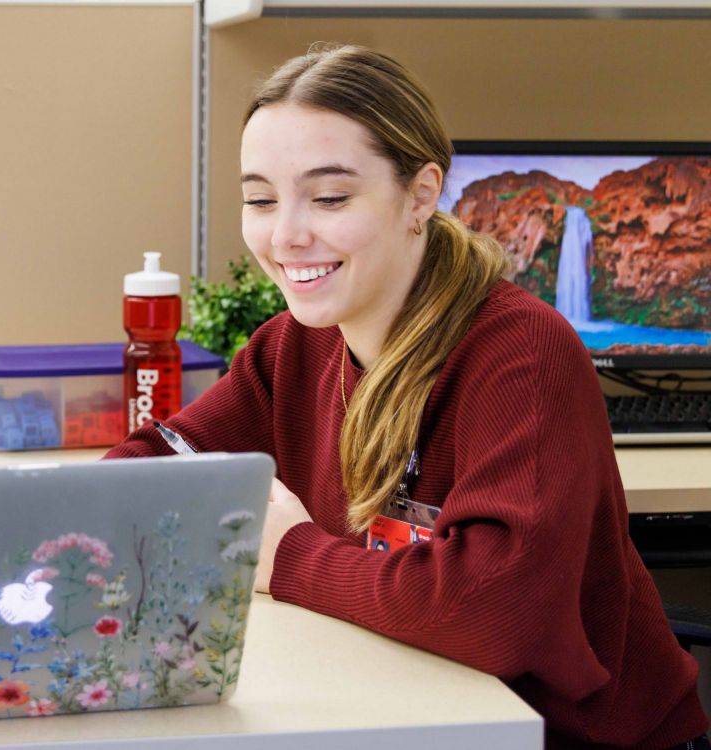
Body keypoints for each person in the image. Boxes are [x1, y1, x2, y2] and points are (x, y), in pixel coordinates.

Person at [105, 45, 709, 749]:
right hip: (400, 703)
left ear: (421, 195)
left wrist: (288, 554)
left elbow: (490, 607)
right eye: (261, 199)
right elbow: (143, 468)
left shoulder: (520, 354)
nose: (286, 235)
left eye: (330, 197)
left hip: (566, 737)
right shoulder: (291, 347)